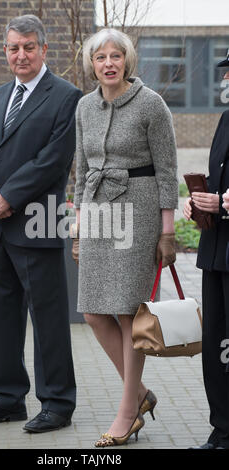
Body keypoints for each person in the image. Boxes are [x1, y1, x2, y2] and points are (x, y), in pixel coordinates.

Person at [0, 15, 82, 433]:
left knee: (48, 318)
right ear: (5, 51)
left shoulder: (67, 96)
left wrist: (8, 196)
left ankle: (57, 403)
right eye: (13, 48)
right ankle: (8, 397)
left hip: (37, 222)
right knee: (4, 316)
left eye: (29, 47)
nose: (21, 55)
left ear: (44, 49)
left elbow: (54, 159)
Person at [72, 28, 178, 447]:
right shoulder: (84, 107)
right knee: (96, 313)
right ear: (92, 64)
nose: (109, 63)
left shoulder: (152, 104)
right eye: (101, 58)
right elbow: (81, 172)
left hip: (139, 212)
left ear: (127, 61)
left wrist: (168, 233)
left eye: (116, 56)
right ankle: (139, 395)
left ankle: (126, 410)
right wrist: (78, 230)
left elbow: (168, 171)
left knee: (127, 314)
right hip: (98, 213)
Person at [183, 51, 229, 449]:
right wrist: (199, 200)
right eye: (226, 71)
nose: (225, 78)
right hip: (217, 250)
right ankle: (222, 429)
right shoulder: (225, 119)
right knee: (217, 345)